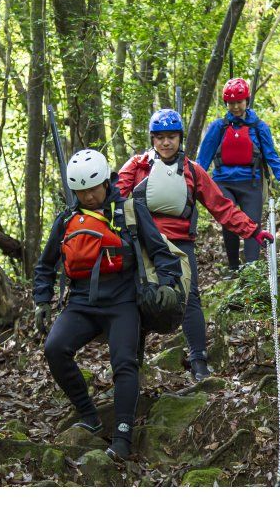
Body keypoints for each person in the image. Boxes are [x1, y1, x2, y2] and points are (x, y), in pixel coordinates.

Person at [33, 149, 182, 462]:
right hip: (81, 303)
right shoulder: (67, 220)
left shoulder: (128, 209)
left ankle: (123, 437)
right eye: (81, 191)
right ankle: (88, 414)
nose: (88, 196)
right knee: (54, 348)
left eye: (93, 188)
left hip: (123, 301)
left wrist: (168, 284)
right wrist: (41, 301)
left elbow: (159, 250)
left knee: (124, 363)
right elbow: (46, 265)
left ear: (105, 181)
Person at [117, 109, 273, 381]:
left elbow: (221, 207)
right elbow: (114, 198)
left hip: (180, 244)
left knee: (189, 299)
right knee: (137, 299)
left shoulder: (192, 171)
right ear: (153, 139)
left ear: (180, 138)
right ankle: (132, 365)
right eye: (161, 138)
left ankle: (199, 361)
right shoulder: (137, 166)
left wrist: (253, 231)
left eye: (172, 137)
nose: (166, 143)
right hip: (143, 243)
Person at [196, 77, 280, 273]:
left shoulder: (259, 127)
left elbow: (271, 154)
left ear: (247, 101)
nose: (235, 107)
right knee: (230, 221)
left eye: (239, 102)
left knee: (252, 226)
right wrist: (191, 182)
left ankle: (251, 270)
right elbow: (203, 159)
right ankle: (233, 268)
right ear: (226, 103)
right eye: (231, 103)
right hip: (223, 183)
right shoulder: (218, 127)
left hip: (251, 182)